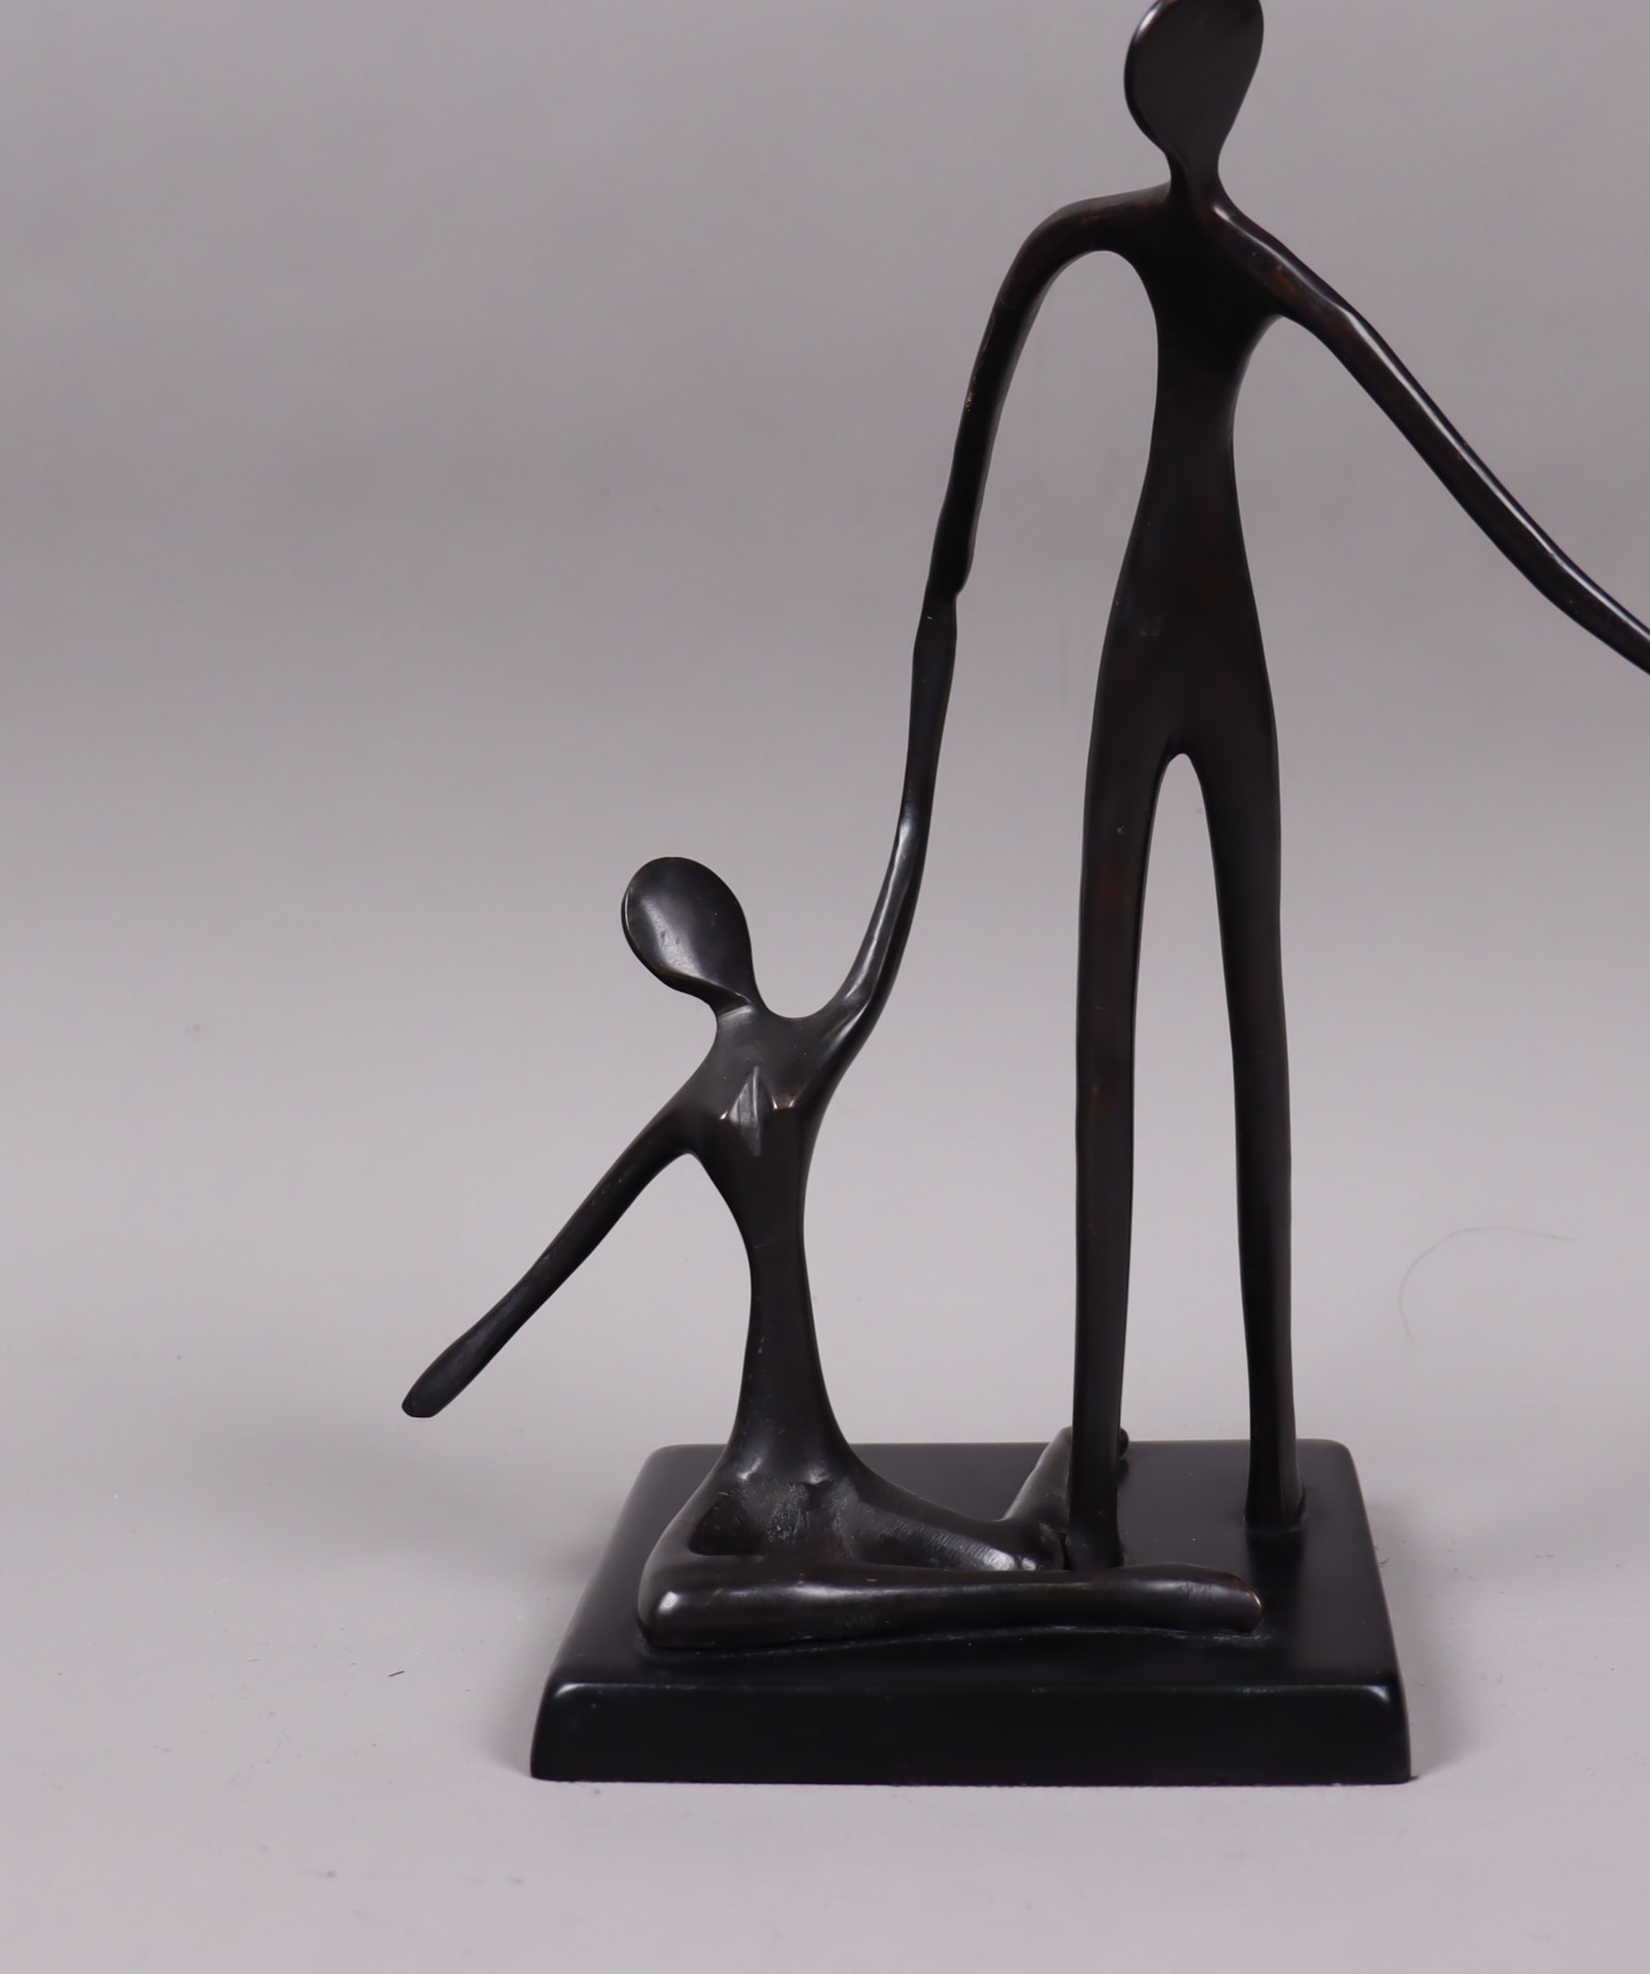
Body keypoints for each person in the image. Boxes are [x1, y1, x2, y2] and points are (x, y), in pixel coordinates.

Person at [925, 0, 1650, 1567]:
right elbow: (959, 508)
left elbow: (1487, 506)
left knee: (1240, 1025)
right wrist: (930, 648)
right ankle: (1105, 1481)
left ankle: (1266, 1465)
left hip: (1193, 655)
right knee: (1113, 1039)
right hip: (1165, 656)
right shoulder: (1096, 241)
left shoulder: (1197, 257)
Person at [404, 600, 1258, 1645]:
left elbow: (898, 888)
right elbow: (564, 1251)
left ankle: (1068, 1550)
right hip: (763, 1463)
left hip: (805, 1459)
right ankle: (1069, 1553)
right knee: (677, 1602)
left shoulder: (744, 1077)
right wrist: (931, 674)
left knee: (925, 1569)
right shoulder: (760, 1068)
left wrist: (936, 652)